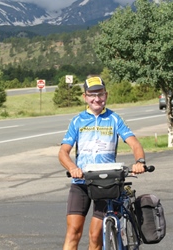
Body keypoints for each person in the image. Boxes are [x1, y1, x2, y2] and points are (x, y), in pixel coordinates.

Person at [58, 76, 146, 250]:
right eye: (92, 94)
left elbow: (135, 143)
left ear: (106, 95)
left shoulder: (114, 119)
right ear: (85, 97)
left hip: (106, 184)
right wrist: (73, 168)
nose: (96, 99)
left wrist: (140, 162)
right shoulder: (78, 121)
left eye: (100, 94)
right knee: (73, 231)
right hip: (81, 182)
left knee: (95, 235)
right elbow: (63, 152)